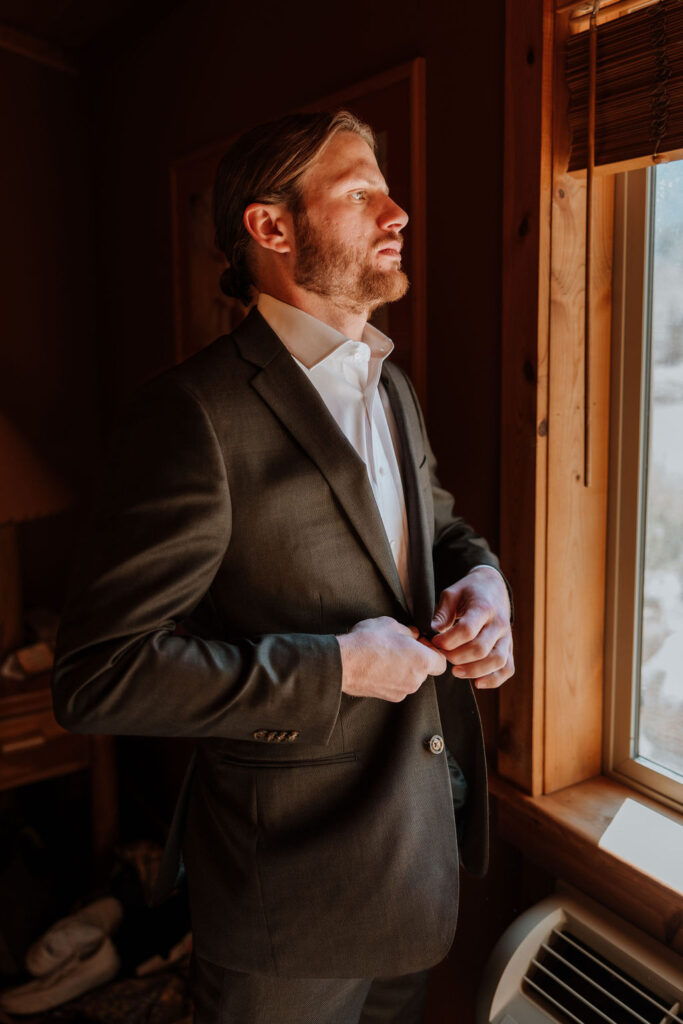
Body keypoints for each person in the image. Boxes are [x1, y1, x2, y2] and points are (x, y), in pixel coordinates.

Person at [53, 110, 514, 1024]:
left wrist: (486, 582)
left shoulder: (389, 383)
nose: (398, 212)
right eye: (358, 192)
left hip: (418, 864)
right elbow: (98, 677)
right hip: (287, 906)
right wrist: (337, 666)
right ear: (271, 229)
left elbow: (438, 533)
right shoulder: (192, 416)